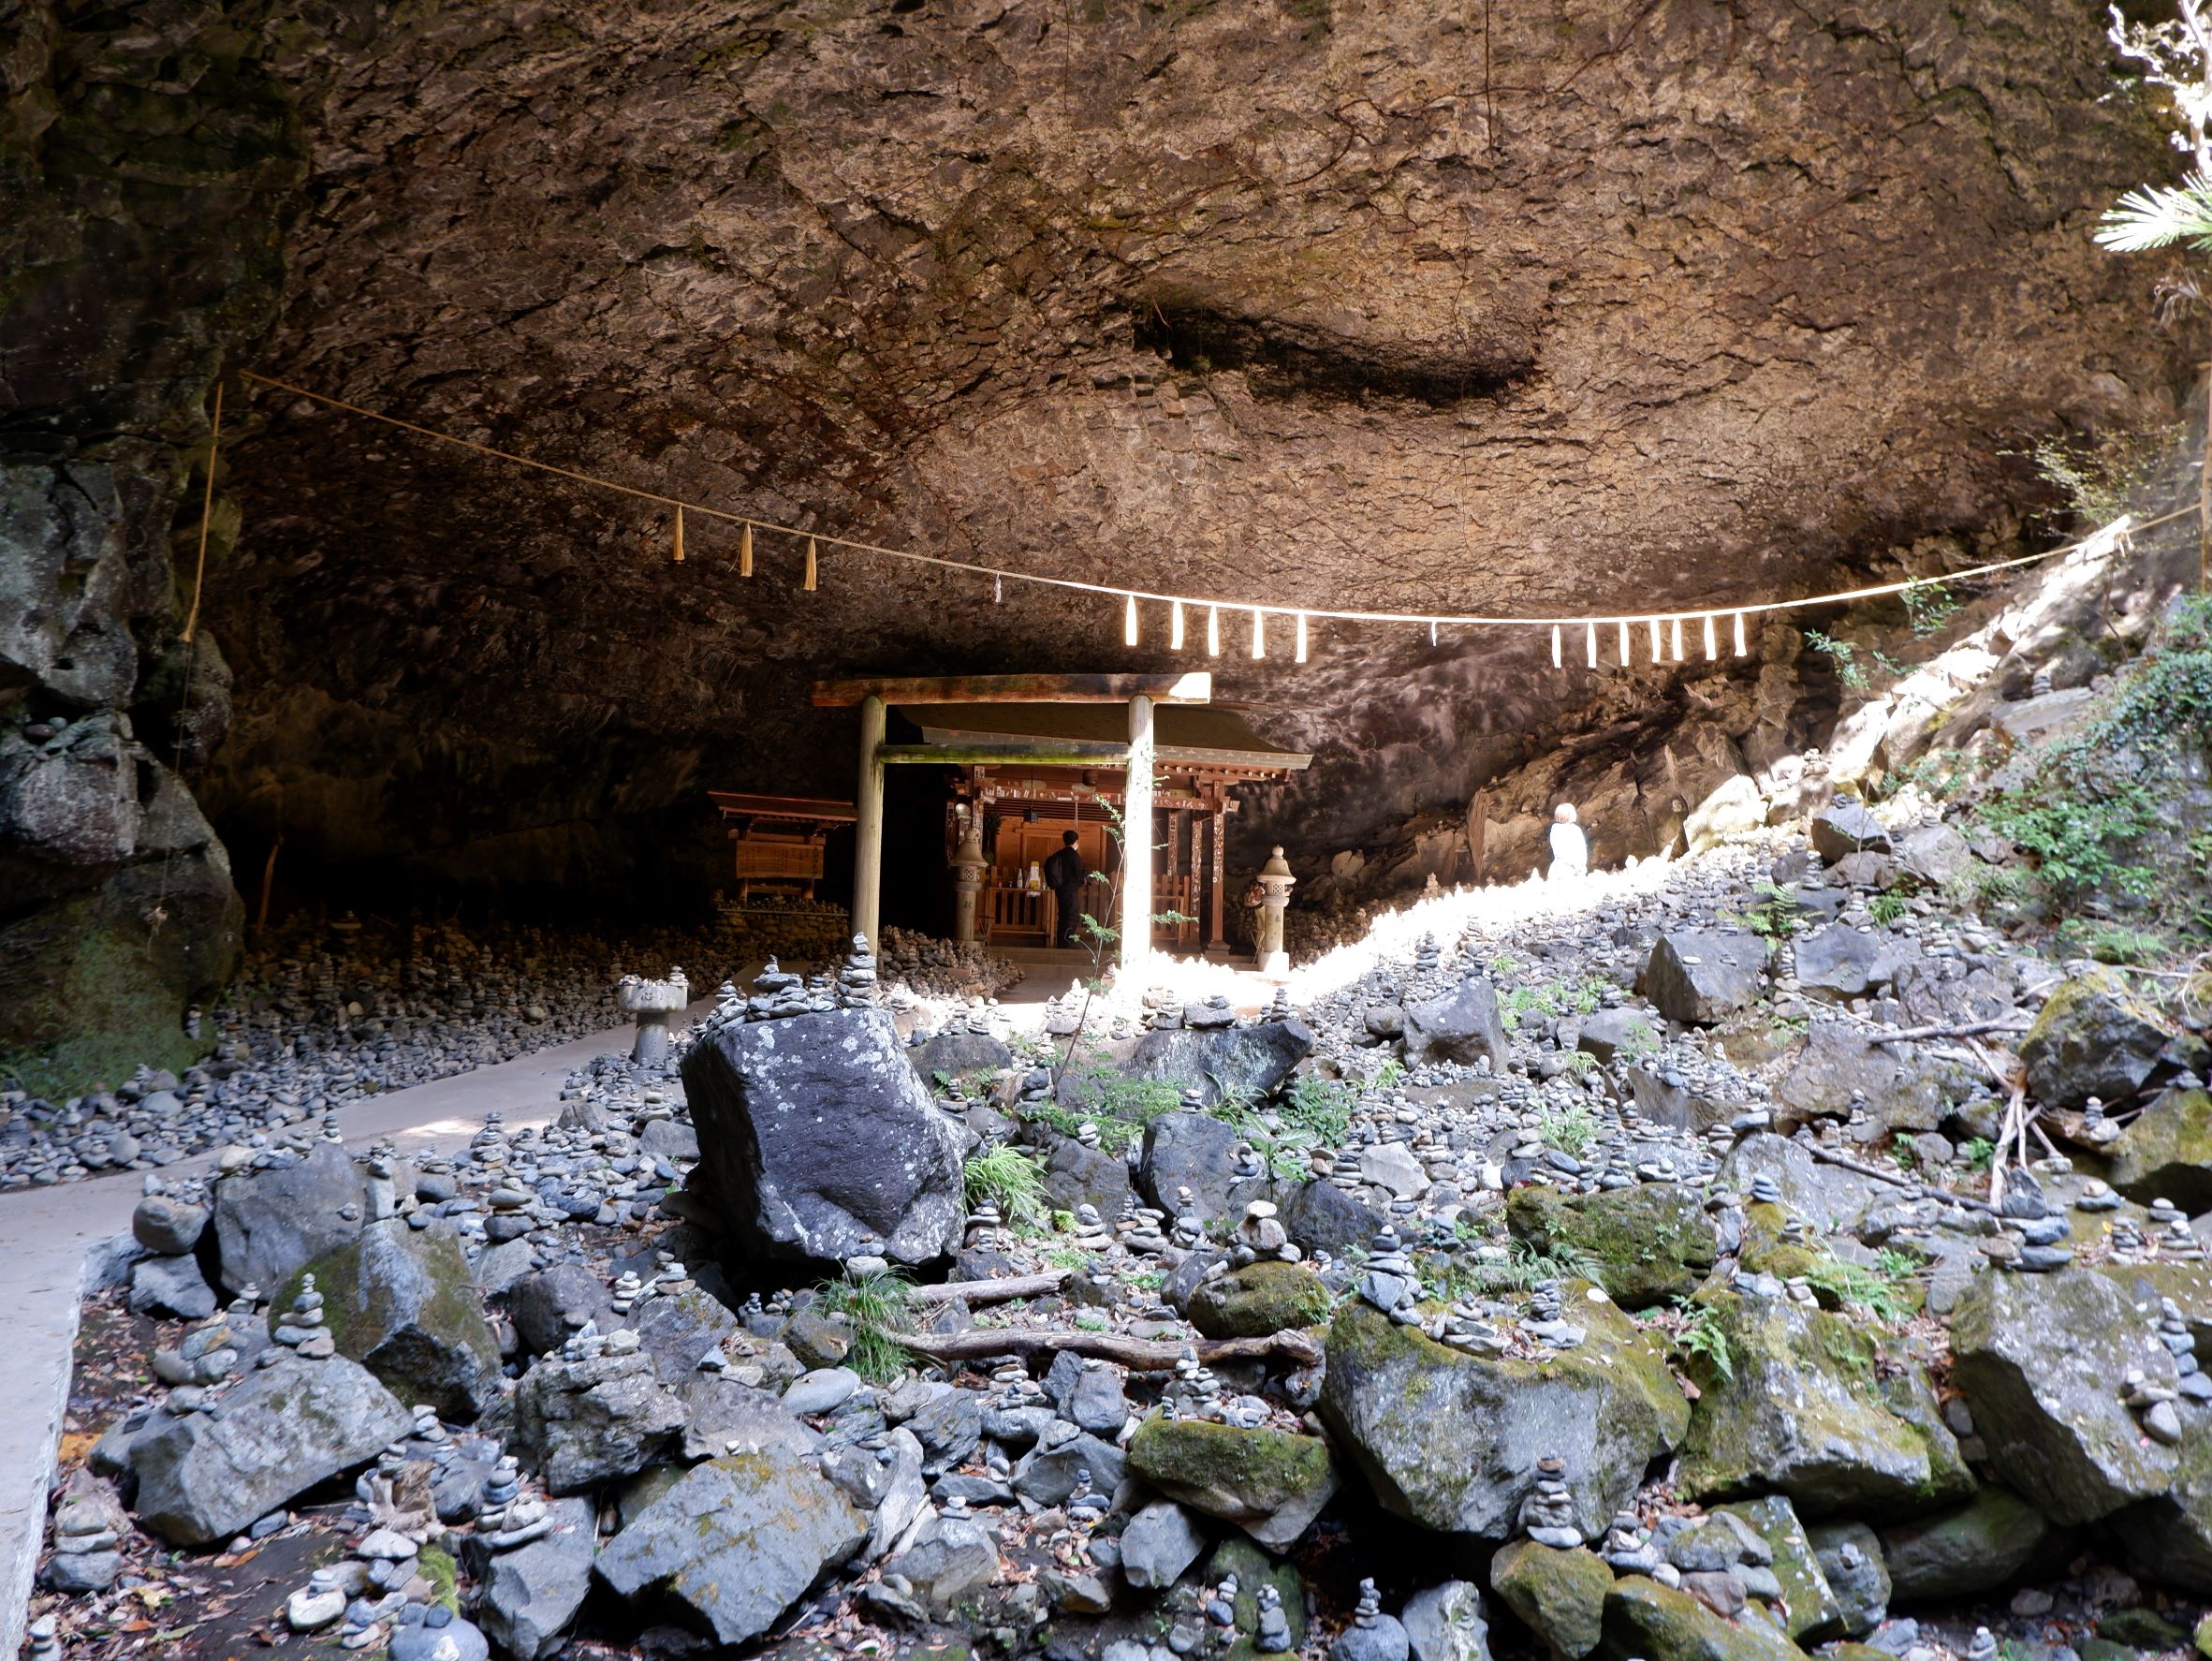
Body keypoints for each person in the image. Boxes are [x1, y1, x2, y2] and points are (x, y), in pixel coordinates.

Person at [1043, 830, 1087, 948]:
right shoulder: (1074, 855)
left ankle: (1061, 942)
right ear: (1076, 841)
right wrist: (1084, 879)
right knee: (1072, 916)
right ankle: (1068, 943)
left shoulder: (1059, 854)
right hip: (1070, 891)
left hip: (1060, 890)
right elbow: (1079, 876)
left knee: (1063, 915)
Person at [1547, 802, 1589, 883]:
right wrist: (1575, 864)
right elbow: (1559, 850)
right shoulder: (1556, 829)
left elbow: (1582, 849)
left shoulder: (1576, 829)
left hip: (1578, 868)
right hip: (1562, 869)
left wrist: (1582, 865)